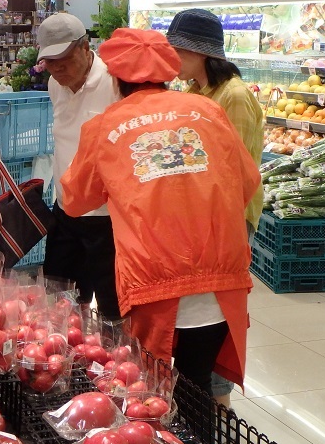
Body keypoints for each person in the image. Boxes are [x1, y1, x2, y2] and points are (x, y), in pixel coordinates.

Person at [60, 28, 260, 395]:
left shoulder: (104, 126)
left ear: (117, 78)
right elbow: (248, 183)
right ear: (168, 72)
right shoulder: (209, 111)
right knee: (197, 387)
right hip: (222, 273)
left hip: (154, 278)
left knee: (148, 390)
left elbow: (74, 200)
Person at [167, 8, 264, 407]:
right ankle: (204, 400)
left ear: (199, 52)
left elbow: (233, 173)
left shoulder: (235, 97)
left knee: (217, 312)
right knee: (199, 311)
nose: (172, 59)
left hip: (229, 220)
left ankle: (218, 407)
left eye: (177, 50)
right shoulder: (196, 92)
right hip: (201, 219)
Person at [36, 13, 122, 320]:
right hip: (65, 210)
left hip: (107, 217)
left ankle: (114, 362)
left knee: (114, 308)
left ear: (86, 48)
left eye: (65, 60)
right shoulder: (55, 84)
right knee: (62, 303)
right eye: (50, 62)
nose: (57, 70)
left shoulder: (115, 82)